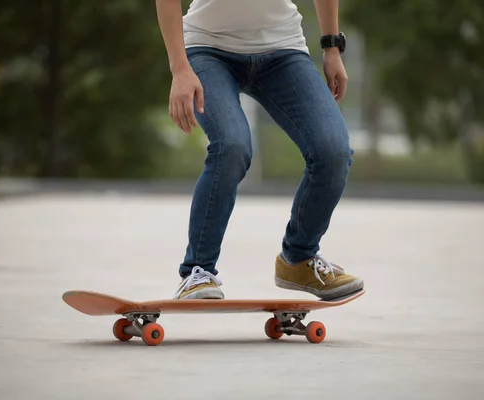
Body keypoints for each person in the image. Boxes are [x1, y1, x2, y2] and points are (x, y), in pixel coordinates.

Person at [155, 0, 364, 300]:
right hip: (207, 48)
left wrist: (332, 48)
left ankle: (299, 259)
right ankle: (198, 271)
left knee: (333, 151)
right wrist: (179, 69)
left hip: (283, 49)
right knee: (232, 146)